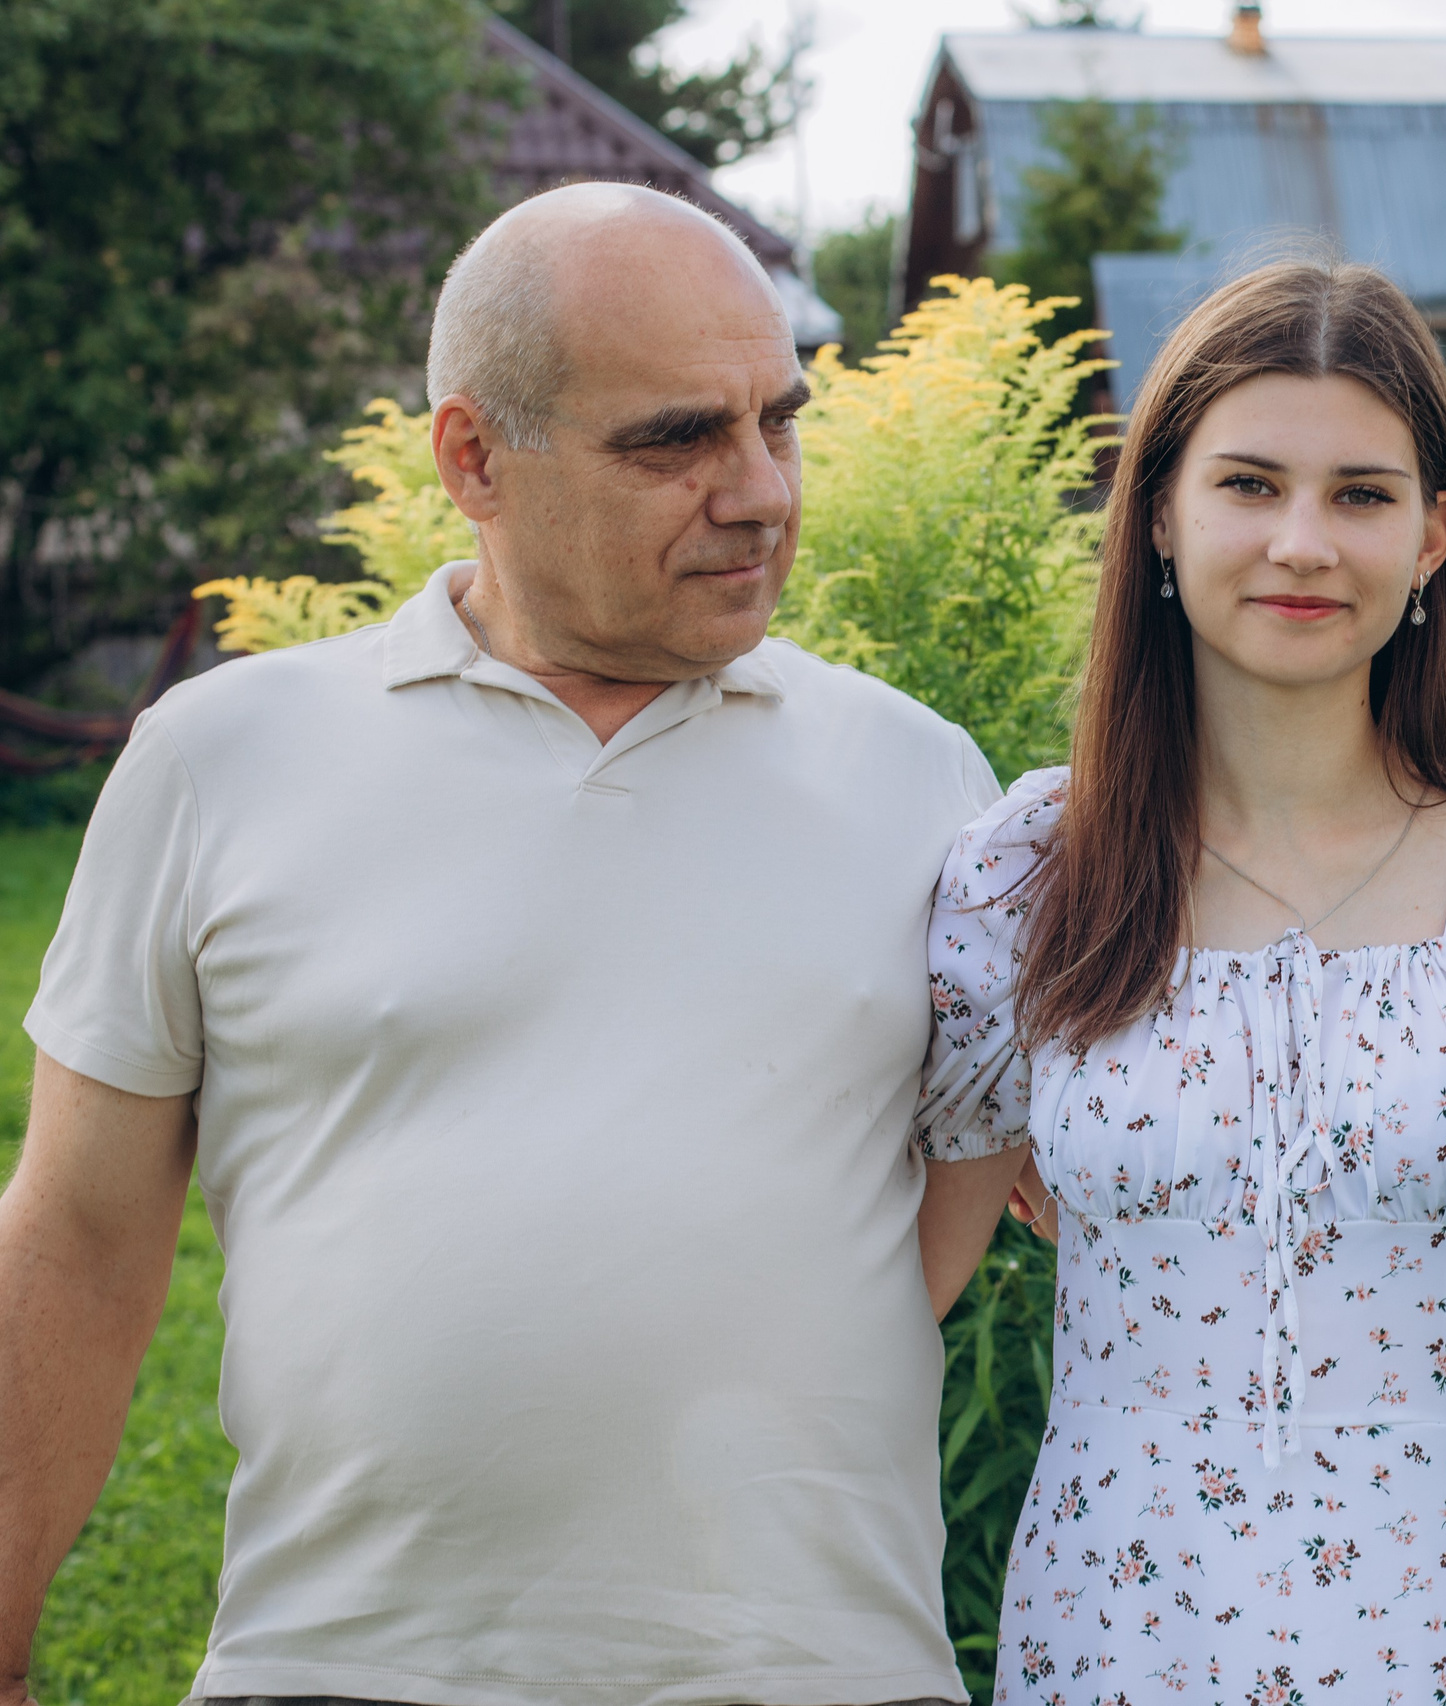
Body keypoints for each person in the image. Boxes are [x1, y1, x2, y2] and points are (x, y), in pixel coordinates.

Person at [0, 183, 1024, 1706]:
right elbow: (79, 1236)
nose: (761, 492)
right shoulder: (222, 758)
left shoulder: (924, 777)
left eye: (778, 422)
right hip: (340, 1668)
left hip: (820, 1672)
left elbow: (985, 1192)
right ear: (474, 456)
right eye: (677, 439)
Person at [907, 260, 1446, 1702]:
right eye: (1250, 484)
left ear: (1437, 535)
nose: (1303, 543)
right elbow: (892, 1296)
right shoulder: (1027, 876)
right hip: (1122, 1638)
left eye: (1362, 494)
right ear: (1158, 510)